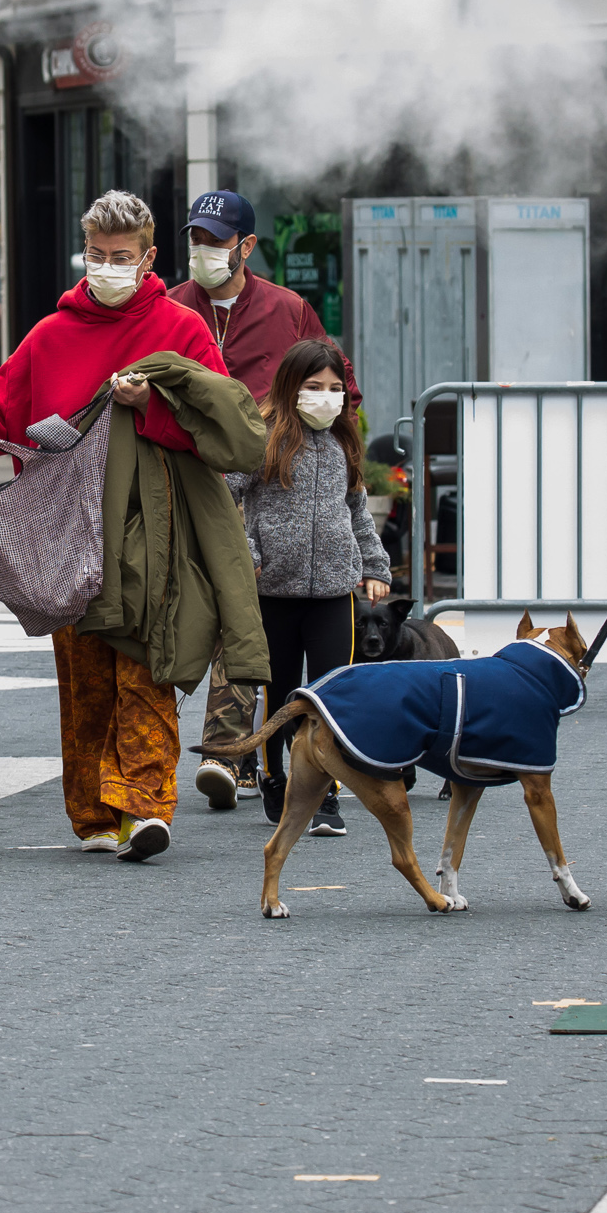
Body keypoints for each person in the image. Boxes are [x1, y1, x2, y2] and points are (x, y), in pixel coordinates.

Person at [0, 190, 265, 862]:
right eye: (96, 255)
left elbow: (224, 425)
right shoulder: (53, 333)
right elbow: (2, 392)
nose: (106, 266)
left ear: (148, 259)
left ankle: (145, 807)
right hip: (65, 528)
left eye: (121, 257)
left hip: (155, 527)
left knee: (146, 663)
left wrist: (152, 409)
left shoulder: (182, 331)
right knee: (84, 677)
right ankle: (94, 812)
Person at [166, 189, 357, 808]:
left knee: (241, 599)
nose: (203, 251)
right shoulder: (171, 305)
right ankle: (212, 752)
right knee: (193, 609)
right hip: (189, 473)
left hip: (266, 479)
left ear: (246, 246)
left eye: (216, 241)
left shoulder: (287, 308)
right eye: (195, 238)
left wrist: (336, 451)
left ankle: (230, 751)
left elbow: (336, 380)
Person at [227, 339, 393, 837]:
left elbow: (358, 513)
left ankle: (326, 792)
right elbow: (224, 501)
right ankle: (275, 776)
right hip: (273, 593)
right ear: (290, 387)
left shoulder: (345, 443)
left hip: (333, 597)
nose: (325, 397)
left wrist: (375, 566)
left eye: (335, 389)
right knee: (279, 693)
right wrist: (250, 556)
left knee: (331, 695)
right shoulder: (261, 437)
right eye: (314, 387)